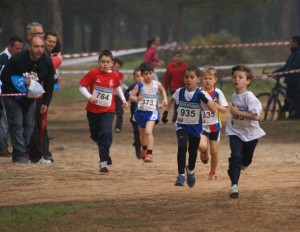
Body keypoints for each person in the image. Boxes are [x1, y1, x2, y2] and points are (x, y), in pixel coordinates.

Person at [1, 36, 54, 164]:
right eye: (36, 46)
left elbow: (49, 83)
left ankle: (22, 152)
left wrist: (46, 102)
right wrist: (20, 85)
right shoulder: (17, 60)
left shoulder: (46, 62)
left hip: (30, 97)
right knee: (17, 124)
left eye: (41, 47)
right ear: (29, 47)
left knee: (29, 126)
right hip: (11, 96)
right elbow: (4, 77)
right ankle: (19, 156)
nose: (39, 50)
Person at [162, 65, 216, 187]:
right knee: (182, 146)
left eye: (192, 77)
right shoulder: (180, 91)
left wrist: (205, 100)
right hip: (182, 125)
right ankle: (181, 175)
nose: (188, 80)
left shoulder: (201, 94)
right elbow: (171, 101)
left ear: (199, 79)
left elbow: (213, 110)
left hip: (196, 128)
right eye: (186, 77)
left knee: (192, 151)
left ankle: (190, 170)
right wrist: (165, 113)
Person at [79, 49, 128, 173]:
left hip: (108, 110)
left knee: (105, 133)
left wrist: (123, 99)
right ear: (98, 62)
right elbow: (82, 86)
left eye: (107, 62)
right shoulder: (93, 73)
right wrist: (90, 97)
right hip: (92, 110)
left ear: (112, 63)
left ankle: (103, 162)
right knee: (97, 136)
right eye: (102, 62)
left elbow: (117, 87)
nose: (105, 64)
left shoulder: (115, 75)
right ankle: (105, 151)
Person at [226, 64, 265, 198]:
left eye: (240, 77)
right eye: (234, 77)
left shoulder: (250, 97)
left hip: (250, 134)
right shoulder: (234, 95)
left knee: (246, 161)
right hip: (235, 131)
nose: (236, 79)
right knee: (236, 156)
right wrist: (235, 115)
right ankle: (234, 185)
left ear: (248, 81)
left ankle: (236, 167)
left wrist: (238, 112)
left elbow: (256, 116)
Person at [28, 30, 62, 163]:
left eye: (54, 42)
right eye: (49, 41)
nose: (52, 44)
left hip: (45, 95)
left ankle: (43, 152)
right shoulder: (47, 58)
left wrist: (56, 87)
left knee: (41, 125)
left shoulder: (51, 56)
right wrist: (57, 60)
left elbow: (54, 79)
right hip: (34, 94)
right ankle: (38, 153)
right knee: (36, 125)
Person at [129, 61, 168, 162]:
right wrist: (137, 99)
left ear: (153, 73)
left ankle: (149, 153)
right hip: (140, 113)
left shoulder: (156, 84)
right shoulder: (139, 85)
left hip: (152, 113)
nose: (148, 76)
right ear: (142, 75)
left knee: (148, 131)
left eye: (150, 73)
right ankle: (144, 148)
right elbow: (131, 97)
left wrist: (164, 99)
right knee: (142, 135)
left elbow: (162, 89)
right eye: (146, 74)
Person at [198, 66, 228, 180]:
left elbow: (225, 109)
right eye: (205, 78)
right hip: (202, 126)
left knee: (214, 152)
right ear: (201, 79)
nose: (207, 81)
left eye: (210, 78)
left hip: (215, 125)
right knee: (201, 146)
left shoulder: (218, 92)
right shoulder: (198, 92)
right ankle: (203, 152)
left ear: (215, 79)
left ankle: (212, 173)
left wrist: (218, 106)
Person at [0, 36, 24, 157]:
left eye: (21, 49)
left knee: (13, 122)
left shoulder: (19, 59)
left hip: (15, 95)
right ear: (10, 46)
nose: (19, 51)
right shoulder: (2, 59)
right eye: (17, 48)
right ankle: (2, 148)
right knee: (4, 122)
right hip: (3, 94)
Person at [273, 36, 300, 120]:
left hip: (296, 81)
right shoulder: (293, 53)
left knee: (296, 101)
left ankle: (297, 118)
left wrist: (281, 74)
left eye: (291, 42)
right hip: (290, 81)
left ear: (296, 43)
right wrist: (275, 72)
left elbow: (294, 67)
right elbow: (286, 66)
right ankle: (289, 116)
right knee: (288, 101)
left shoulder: (298, 54)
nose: (289, 44)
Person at [124, 67, 143, 159]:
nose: (139, 78)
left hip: (146, 115)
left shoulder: (149, 87)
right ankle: (138, 148)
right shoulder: (132, 87)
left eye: (141, 76)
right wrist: (125, 101)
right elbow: (125, 96)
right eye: (137, 76)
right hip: (135, 115)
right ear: (134, 77)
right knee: (137, 132)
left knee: (146, 132)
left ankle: (145, 149)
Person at [164, 51, 187, 123]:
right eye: (176, 57)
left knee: (181, 103)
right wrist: (165, 89)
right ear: (173, 57)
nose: (177, 58)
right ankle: (176, 119)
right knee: (177, 102)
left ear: (181, 58)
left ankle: (178, 118)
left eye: (179, 57)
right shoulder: (170, 66)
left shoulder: (184, 65)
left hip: (183, 88)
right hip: (173, 88)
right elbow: (167, 79)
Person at [112, 57, 126, 133]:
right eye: (115, 67)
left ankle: (118, 127)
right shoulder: (109, 74)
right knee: (110, 112)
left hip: (118, 96)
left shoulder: (121, 75)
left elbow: (121, 86)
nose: (117, 68)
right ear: (111, 66)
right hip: (111, 96)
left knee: (120, 112)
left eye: (118, 67)